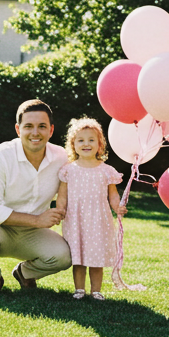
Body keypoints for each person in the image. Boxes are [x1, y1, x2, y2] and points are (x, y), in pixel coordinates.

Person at [0, 98, 72, 292]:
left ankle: (24, 273)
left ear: (51, 130)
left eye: (42, 126)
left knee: (64, 257)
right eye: (28, 126)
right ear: (18, 130)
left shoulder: (61, 157)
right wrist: (37, 220)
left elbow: (77, 186)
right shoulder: (0, 155)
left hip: (35, 234)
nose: (35, 132)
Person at [56, 117, 127, 300]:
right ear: (73, 144)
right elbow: (62, 195)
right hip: (75, 219)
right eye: (80, 140)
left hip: (98, 220)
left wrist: (117, 207)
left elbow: (112, 194)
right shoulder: (68, 170)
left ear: (99, 144)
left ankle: (96, 290)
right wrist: (60, 210)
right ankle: (79, 289)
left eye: (91, 140)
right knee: (78, 256)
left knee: (97, 256)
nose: (86, 144)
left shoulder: (106, 170)